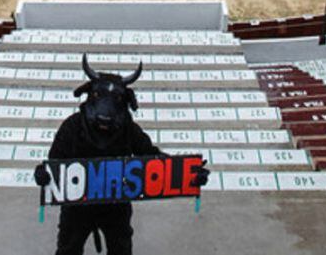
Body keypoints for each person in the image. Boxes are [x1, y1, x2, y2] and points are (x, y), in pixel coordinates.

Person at [34, 55, 210, 255]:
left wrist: (188, 173)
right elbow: (54, 161)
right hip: (77, 206)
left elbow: (153, 158)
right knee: (68, 249)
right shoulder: (72, 126)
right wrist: (43, 173)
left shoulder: (128, 129)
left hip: (115, 207)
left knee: (121, 249)